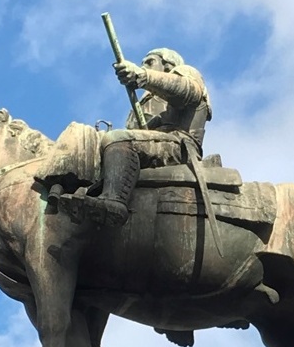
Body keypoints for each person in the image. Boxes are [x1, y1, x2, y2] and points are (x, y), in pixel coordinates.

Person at [64, 48, 211, 227]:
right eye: (143, 64)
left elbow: (189, 92)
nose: (143, 66)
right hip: (155, 145)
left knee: (119, 139)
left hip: (178, 145)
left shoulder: (186, 73)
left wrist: (143, 75)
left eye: (149, 62)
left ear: (168, 65)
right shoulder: (146, 101)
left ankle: (113, 202)